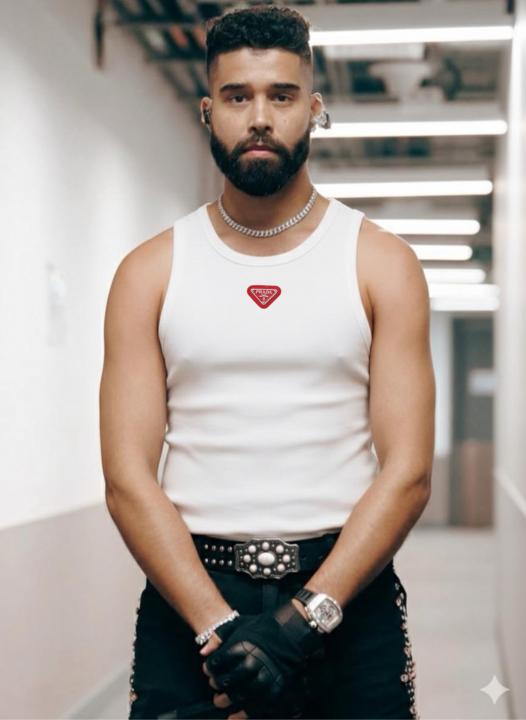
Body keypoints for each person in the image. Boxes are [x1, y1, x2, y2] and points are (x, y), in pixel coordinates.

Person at [98, 5, 435, 719]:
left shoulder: (381, 263)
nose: (259, 118)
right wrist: (220, 631)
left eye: (281, 96)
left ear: (313, 109)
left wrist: (300, 624)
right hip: (190, 601)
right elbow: (128, 479)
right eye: (237, 96)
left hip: (346, 597)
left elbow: (407, 471)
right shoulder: (149, 272)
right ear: (207, 111)